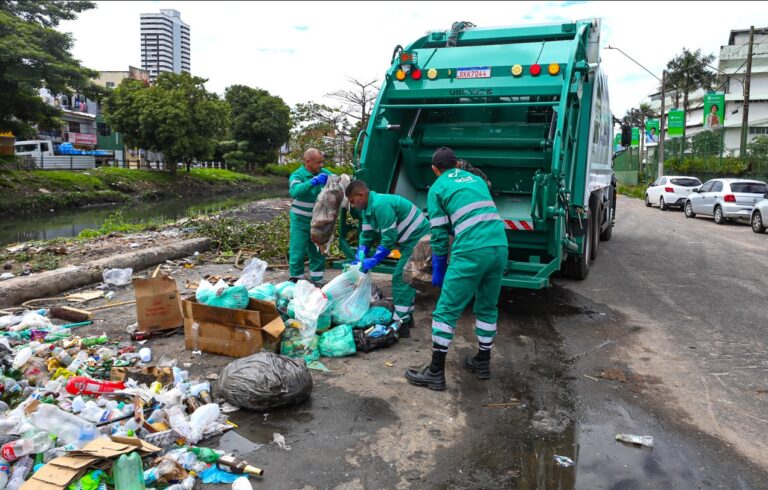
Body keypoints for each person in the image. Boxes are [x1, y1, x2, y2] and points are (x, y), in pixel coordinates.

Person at [404, 147, 509, 391]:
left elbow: (439, 233)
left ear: (434, 169)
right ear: (458, 165)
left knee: (445, 311)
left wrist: (439, 266)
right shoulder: (477, 180)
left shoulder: (438, 187)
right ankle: (482, 362)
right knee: (487, 306)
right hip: (499, 246)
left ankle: (435, 372)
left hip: (471, 251)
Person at [345, 180, 430, 338]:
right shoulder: (367, 210)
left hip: (421, 240)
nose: (353, 205)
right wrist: (361, 252)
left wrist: (374, 259)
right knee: (407, 278)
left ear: (361, 195)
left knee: (401, 277)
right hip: (409, 242)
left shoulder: (380, 205)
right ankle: (407, 317)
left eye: (352, 201)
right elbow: (367, 235)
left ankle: (401, 323)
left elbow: (388, 239)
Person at [287, 148, 334, 284]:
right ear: (308, 162)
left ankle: (318, 281)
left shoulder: (325, 174)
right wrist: (312, 182)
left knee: (317, 252)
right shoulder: (297, 175)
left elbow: (339, 184)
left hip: (318, 222)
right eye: (318, 162)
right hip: (300, 221)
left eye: (322, 162)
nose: (321, 165)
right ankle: (297, 281)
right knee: (298, 251)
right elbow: (295, 191)